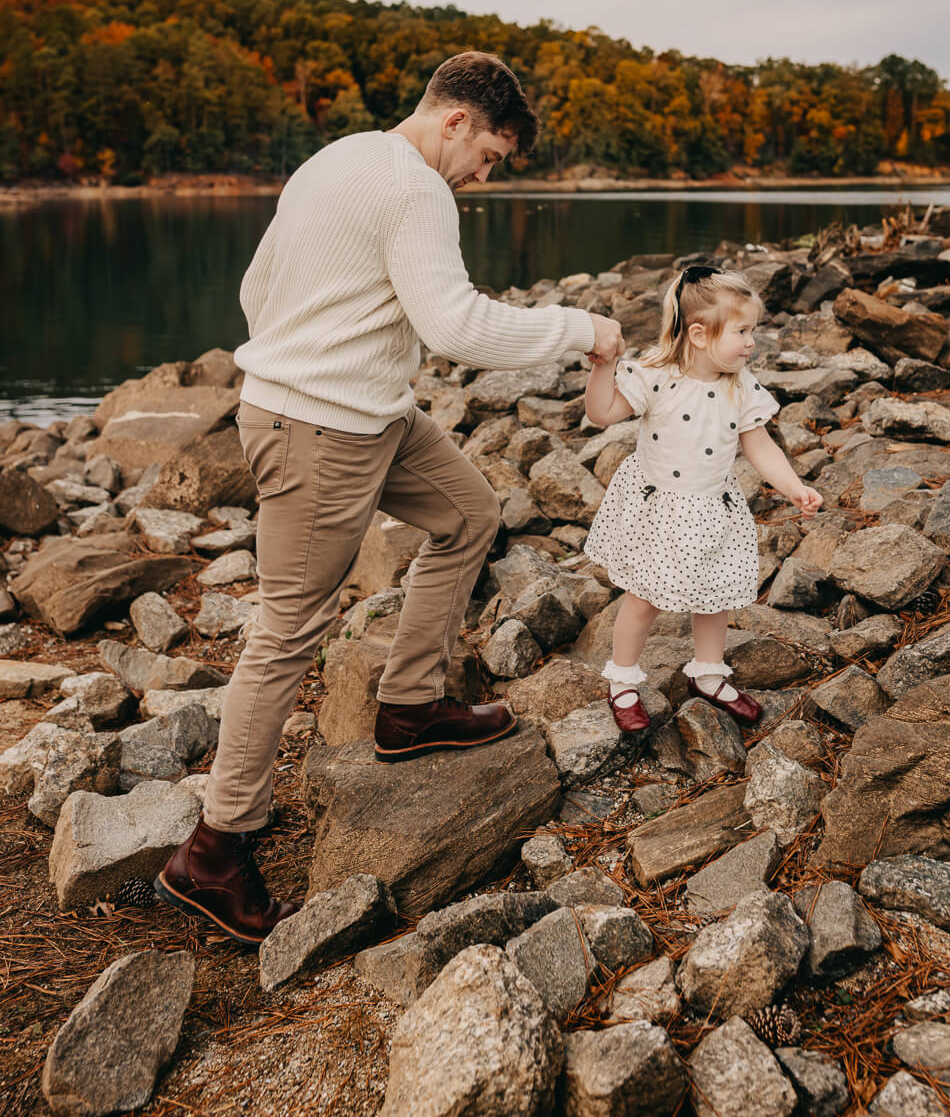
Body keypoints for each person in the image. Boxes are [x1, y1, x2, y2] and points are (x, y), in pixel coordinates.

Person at [155, 51, 624, 944]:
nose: (484, 176)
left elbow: (256, 288)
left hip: (368, 414)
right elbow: (456, 325)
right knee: (287, 632)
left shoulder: (338, 156)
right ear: (455, 121)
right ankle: (214, 850)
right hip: (318, 427)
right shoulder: (416, 189)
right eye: (488, 156)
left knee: (469, 514)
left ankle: (409, 706)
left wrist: (324, 350)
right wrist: (583, 328)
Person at [583, 265, 822, 732]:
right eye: (742, 331)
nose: (752, 342)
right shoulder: (657, 375)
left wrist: (794, 487)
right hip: (659, 509)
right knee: (643, 598)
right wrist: (603, 366)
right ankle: (623, 680)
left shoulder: (739, 383)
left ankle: (708, 673)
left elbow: (760, 446)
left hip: (713, 509)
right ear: (698, 333)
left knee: (715, 596)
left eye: (752, 330)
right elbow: (601, 413)